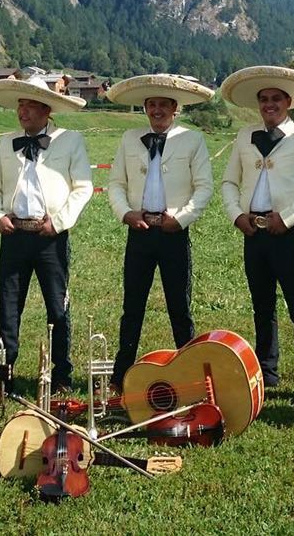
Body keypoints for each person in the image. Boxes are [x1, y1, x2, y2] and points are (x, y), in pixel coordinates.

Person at [219, 65, 294, 409]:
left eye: (276, 99)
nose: (270, 104)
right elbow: (229, 182)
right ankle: (267, 374)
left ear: (288, 102)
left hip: (286, 232)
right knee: (262, 306)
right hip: (253, 232)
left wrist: (289, 216)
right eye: (264, 99)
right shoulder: (245, 136)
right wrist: (236, 215)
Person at [103, 74, 216, 388]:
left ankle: (191, 374)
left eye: (164, 104)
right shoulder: (130, 138)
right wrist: (125, 213)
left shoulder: (192, 140)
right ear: (145, 107)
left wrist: (181, 218)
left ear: (175, 108)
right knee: (132, 307)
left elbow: (204, 187)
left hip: (173, 233)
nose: (157, 110)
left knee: (179, 306)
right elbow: (116, 183)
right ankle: (121, 374)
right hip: (139, 231)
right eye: (151, 104)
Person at [0, 72, 91, 392]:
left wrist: (58, 222)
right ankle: (3, 375)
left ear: (46, 110)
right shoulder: (6, 142)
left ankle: (61, 375)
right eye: (20, 105)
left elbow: (83, 187)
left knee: (57, 306)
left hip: (50, 237)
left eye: (30, 105)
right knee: (8, 305)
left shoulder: (69, 140)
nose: (23, 111)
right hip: (14, 235)